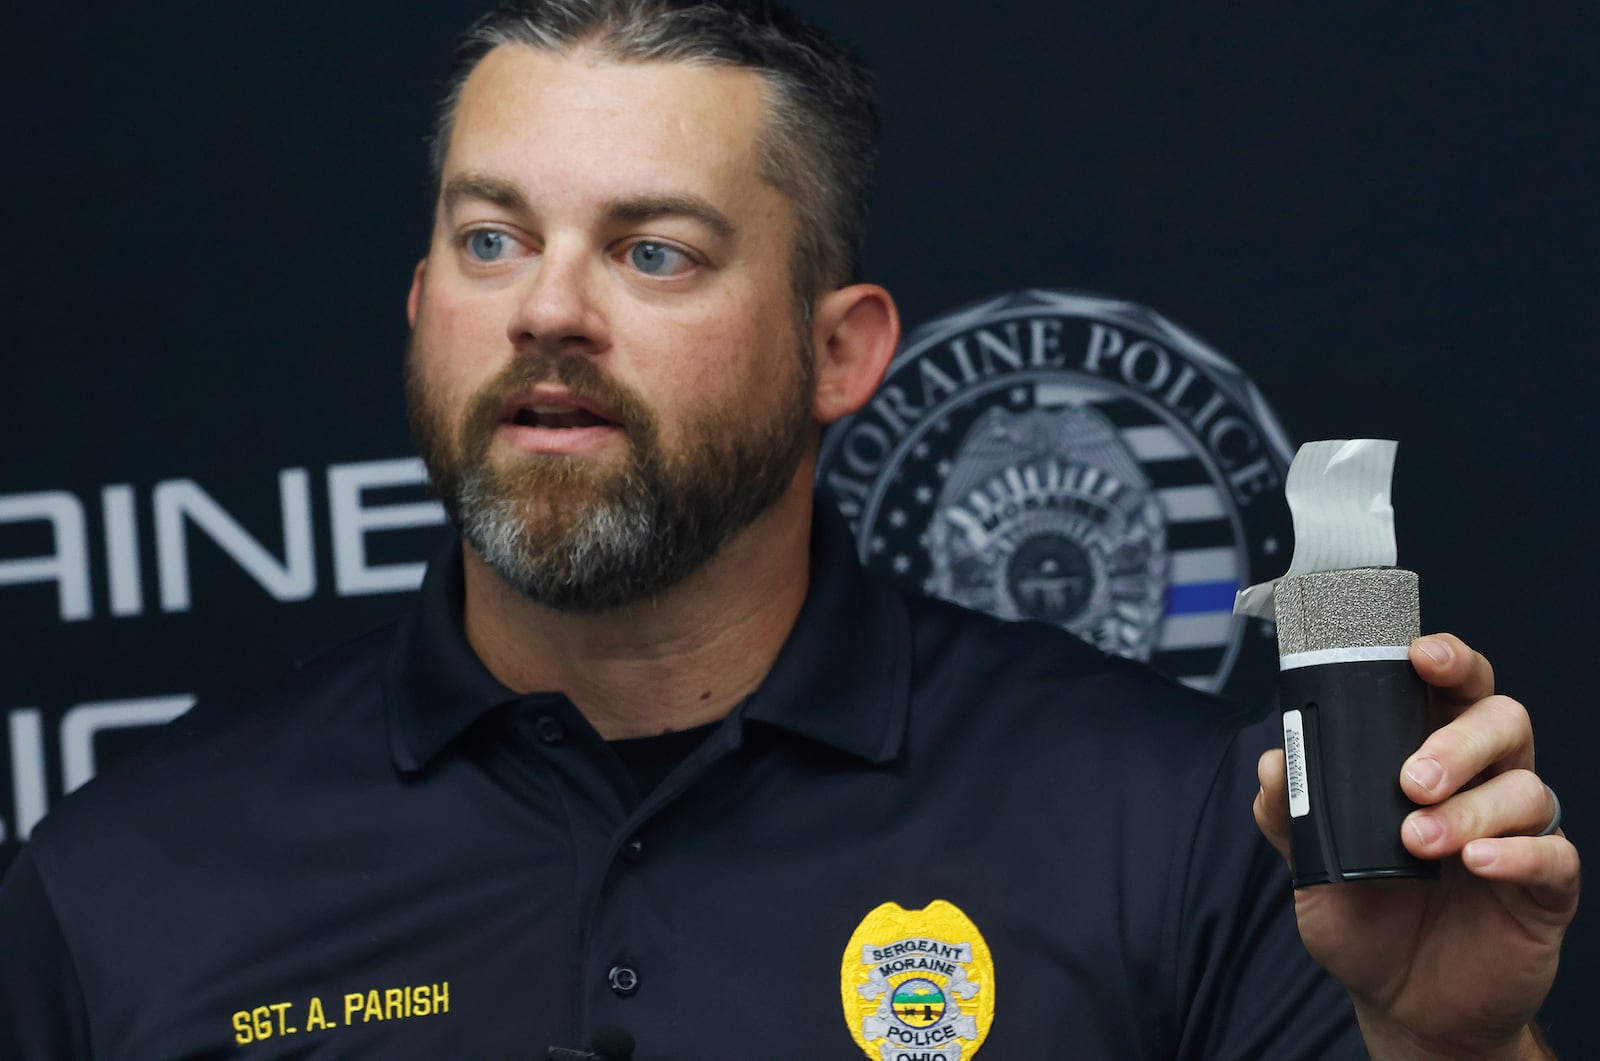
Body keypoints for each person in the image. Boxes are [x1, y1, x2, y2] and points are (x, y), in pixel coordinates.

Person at [0, 1, 1578, 1057]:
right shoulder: (125, 879)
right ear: (422, 312)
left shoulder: (1173, 833)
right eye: (492, 238)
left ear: (844, 352)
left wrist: (1450, 1048)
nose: (549, 307)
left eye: (656, 253)